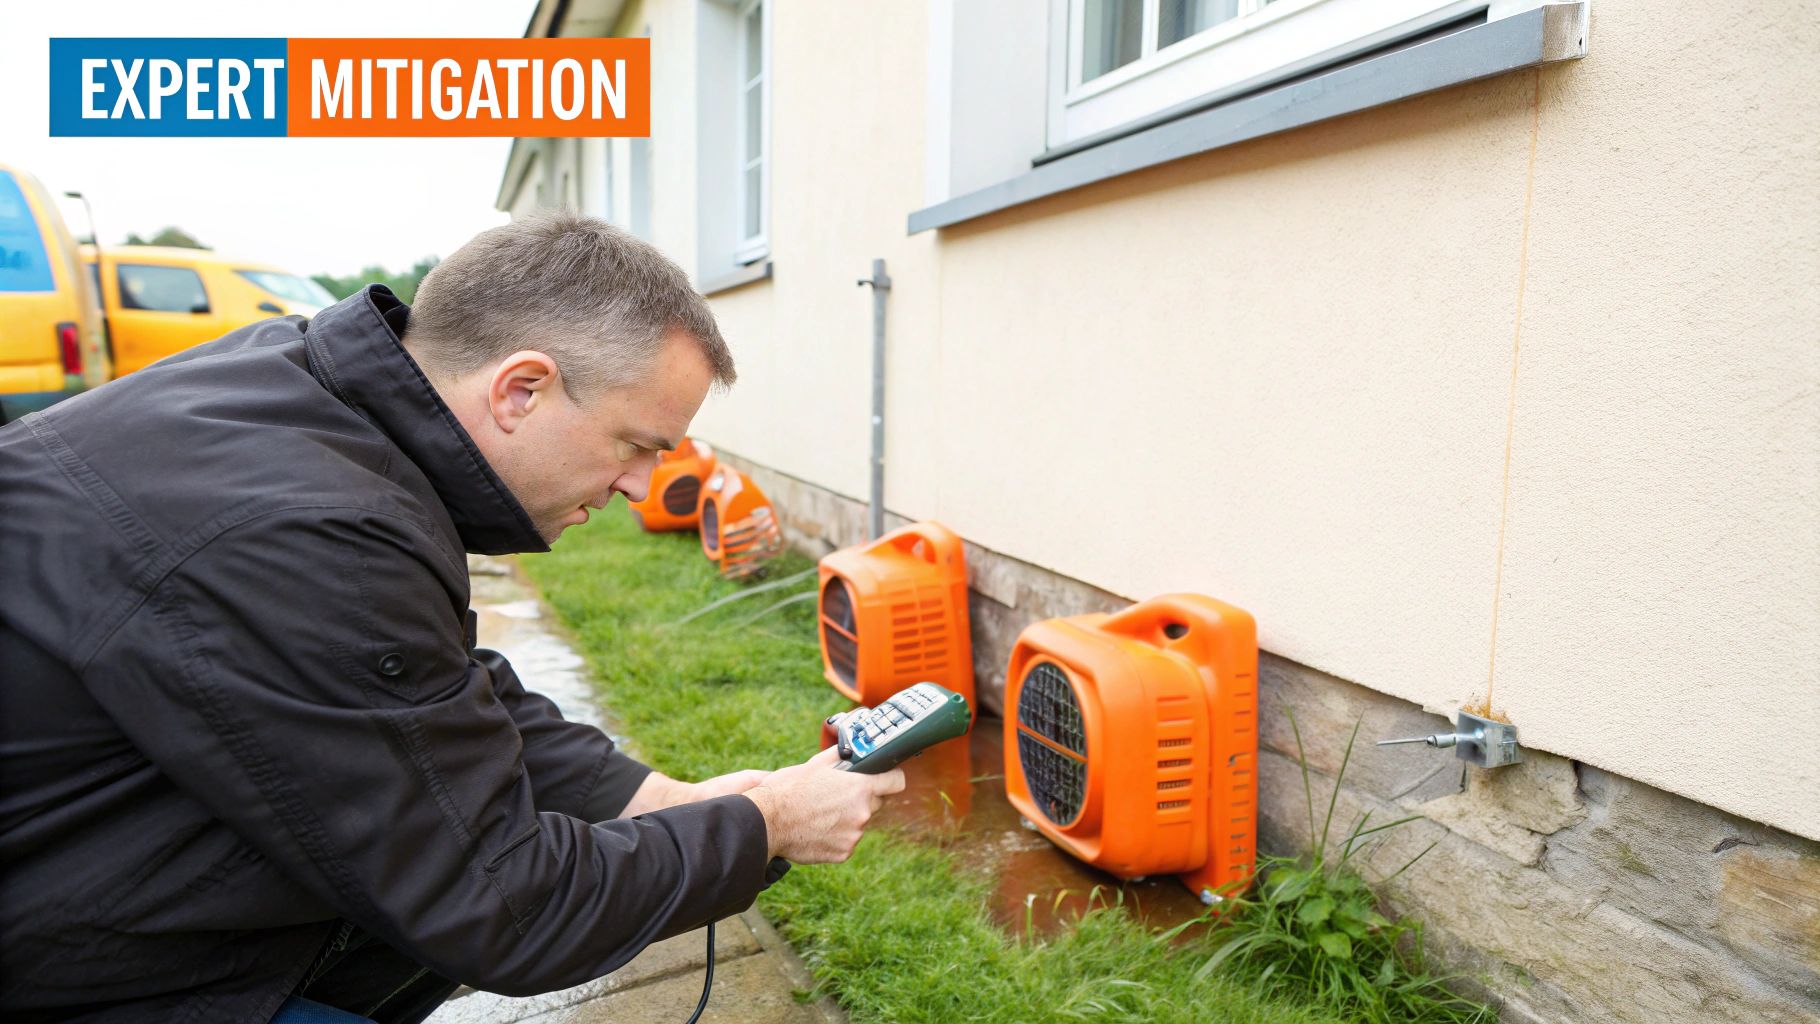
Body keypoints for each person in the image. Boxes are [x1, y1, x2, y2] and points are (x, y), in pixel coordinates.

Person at [0, 211, 905, 1024]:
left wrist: (659, 801)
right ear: (521, 390)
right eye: (636, 445)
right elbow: (508, 908)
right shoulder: (314, 533)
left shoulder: (303, 395)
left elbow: (427, 694)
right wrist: (768, 824)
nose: (640, 486)